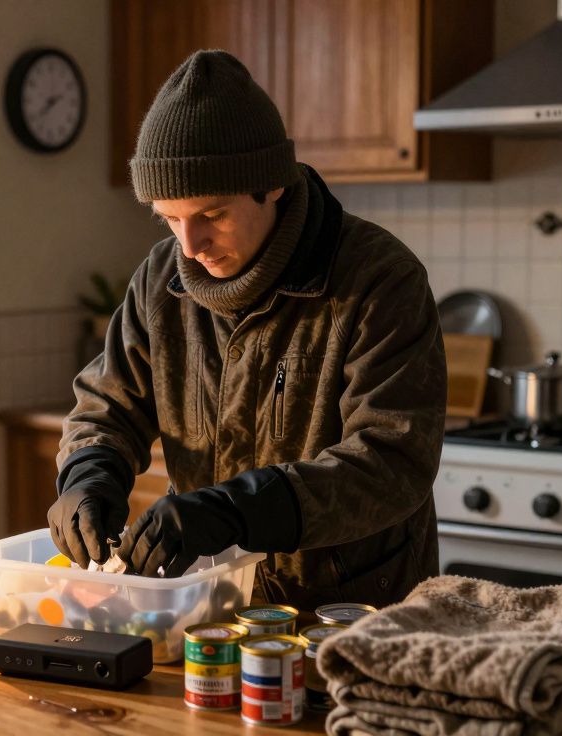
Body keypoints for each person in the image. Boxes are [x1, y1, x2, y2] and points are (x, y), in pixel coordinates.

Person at [47, 49, 446, 610]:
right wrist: (89, 474)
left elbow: (392, 463)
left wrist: (238, 510)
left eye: (212, 214)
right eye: (170, 218)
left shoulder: (380, 280)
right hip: (207, 603)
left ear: (273, 185)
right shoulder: (160, 279)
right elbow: (105, 410)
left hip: (350, 613)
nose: (190, 246)